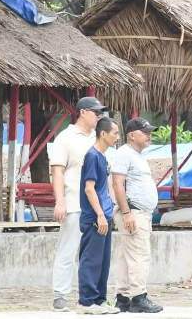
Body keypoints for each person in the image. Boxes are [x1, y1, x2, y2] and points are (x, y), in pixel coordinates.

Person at [48, 96, 108, 312]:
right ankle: (60, 293)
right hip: (74, 202)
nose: (98, 116)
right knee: (68, 248)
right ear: (83, 112)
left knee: (93, 254)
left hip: (97, 206)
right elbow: (57, 170)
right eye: (95, 112)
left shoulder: (99, 138)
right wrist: (60, 201)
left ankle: (91, 295)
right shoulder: (65, 138)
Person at [111, 117, 163, 314]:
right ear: (132, 135)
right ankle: (139, 297)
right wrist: (127, 212)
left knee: (126, 257)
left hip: (139, 212)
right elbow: (117, 184)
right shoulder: (125, 153)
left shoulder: (137, 155)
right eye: (145, 132)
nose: (149, 136)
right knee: (140, 256)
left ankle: (123, 297)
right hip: (133, 212)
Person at [77, 117, 120, 314]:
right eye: (115, 133)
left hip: (105, 215)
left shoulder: (102, 156)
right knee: (91, 259)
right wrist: (100, 215)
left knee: (103, 261)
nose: (117, 137)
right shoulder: (93, 156)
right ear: (103, 134)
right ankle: (86, 301)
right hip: (95, 217)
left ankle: (99, 300)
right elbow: (89, 189)